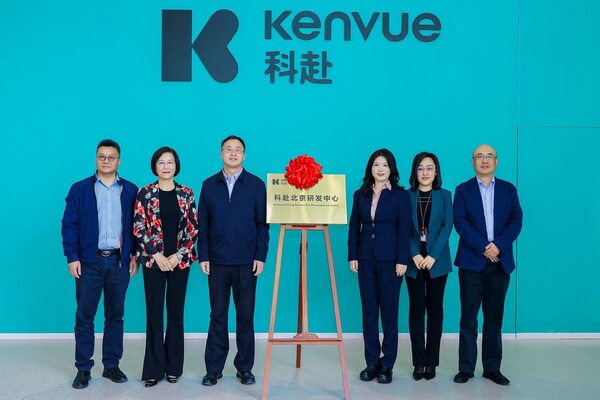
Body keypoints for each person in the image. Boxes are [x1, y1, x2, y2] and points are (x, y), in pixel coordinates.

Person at [61, 139, 139, 389]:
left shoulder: (130, 190)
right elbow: (69, 224)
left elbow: (136, 226)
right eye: (101, 157)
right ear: (96, 159)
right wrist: (72, 257)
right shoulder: (79, 189)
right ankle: (83, 368)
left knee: (115, 315)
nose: (106, 161)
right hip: (88, 262)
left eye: (111, 157)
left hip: (118, 262)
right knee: (85, 316)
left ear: (119, 161)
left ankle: (111, 365)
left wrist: (134, 255)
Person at [198, 135, 269, 386]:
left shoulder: (256, 185)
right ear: (221, 154)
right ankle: (213, 369)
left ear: (244, 155)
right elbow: (202, 223)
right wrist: (203, 255)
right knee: (217, 315)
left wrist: (260, 256)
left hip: (247, 262)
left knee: (245, 316)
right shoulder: (209, 185)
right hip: (217, 261)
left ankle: (245, 368)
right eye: (228, 149)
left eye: (238, 149)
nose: (233, 153)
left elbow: (262, 224)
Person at [452, 144, 523, 386]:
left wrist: (498, 246)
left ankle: (492, 369)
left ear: (496, 161)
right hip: (471, 263)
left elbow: (516, 221)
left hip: (500, 263)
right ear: (473, 161)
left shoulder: (508, 189)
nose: (485, 160)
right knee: (468, 318)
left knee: (494, 318)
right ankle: (466, 368)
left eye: (489, 156)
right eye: (480, 156)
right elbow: (460, 222)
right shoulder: (462, 190)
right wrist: (484, 246)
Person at [133, 147, 199, 387]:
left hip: (180, 262)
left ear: (176, 165)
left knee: (176, 314)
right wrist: (157, 255)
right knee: (154, 314)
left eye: (170, 162)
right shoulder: (145, 193)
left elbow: (193, 228)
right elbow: (139, 227)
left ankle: (173, 368)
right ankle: (153, 370)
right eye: (161, 162)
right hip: (153, 262)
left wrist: (177, 256)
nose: (166, 166)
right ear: (155, 166)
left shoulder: (187, 193)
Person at [348, 148, 411, 384]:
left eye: (385, 164)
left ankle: (387, 364)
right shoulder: (360, 194)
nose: (380, 169)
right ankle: (372, 362)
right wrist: (352, 255)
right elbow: (354, 226)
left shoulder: (400, 195)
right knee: (369, 312)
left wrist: (402, 260)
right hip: (365, 258)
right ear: (370, 168)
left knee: (389, 313)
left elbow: (405, 230)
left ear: (391, 169)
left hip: (391, 261)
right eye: (376, 164)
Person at [405, 152, 453, 381]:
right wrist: (414, 253)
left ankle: (431, 362)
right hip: (413, 262)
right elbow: (401, 227)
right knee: (416, 310)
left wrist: (432, 255)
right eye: (420, 168)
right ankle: (418, 362)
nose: (425, 172)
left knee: (435, 310)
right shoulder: (406, 196)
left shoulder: (445, 195)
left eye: (430, 168)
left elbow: (447, 226)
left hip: (437, 261)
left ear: (436, 171)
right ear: (415, 172)